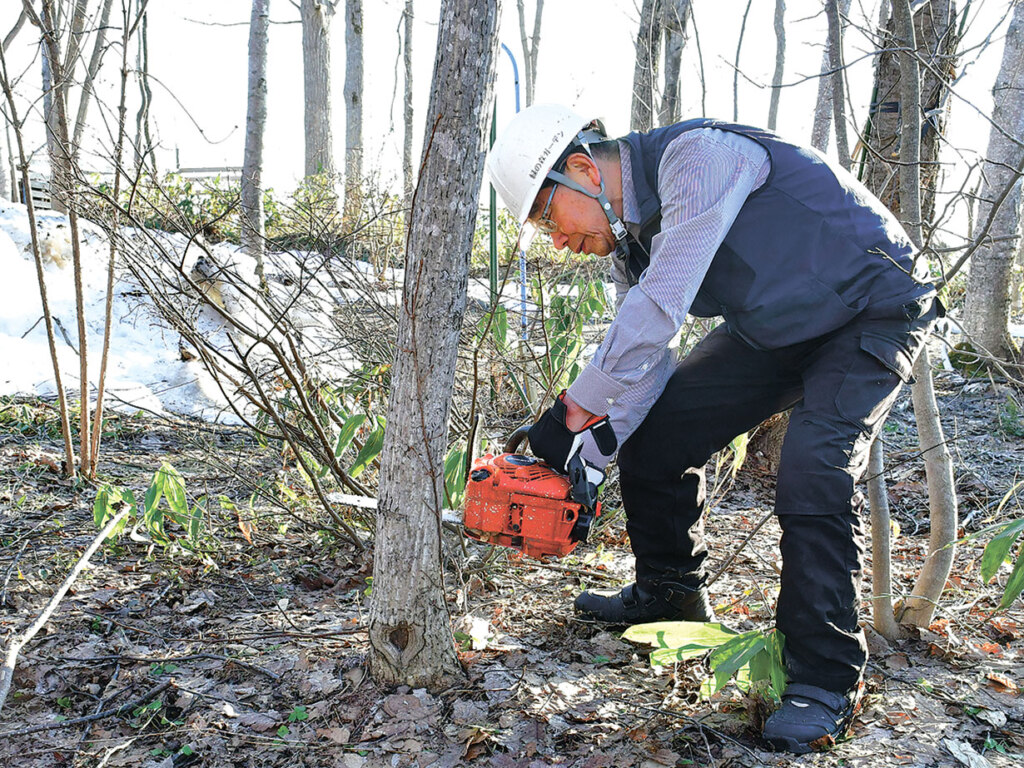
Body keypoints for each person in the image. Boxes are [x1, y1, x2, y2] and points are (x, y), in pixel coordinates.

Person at [485, 104, 940, 754]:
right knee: (660, 433)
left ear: (584, 171)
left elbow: (662, 305)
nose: (558, 242)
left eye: (549, 220)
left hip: (875, 304)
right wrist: (585, 457)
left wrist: (570, 411)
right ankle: (668, 596)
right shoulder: (630, 244)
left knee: (813, 470)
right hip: (780, 328)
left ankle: (823, 682)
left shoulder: (700, 157)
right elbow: (641, 367)